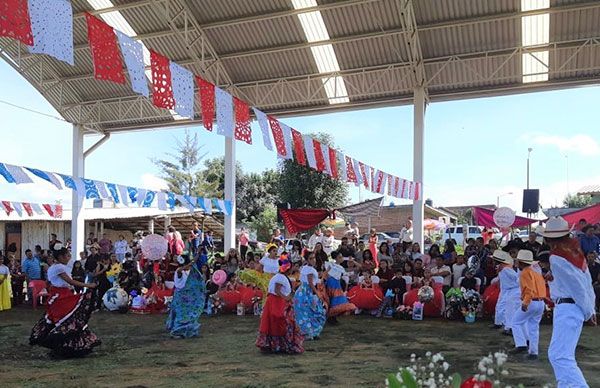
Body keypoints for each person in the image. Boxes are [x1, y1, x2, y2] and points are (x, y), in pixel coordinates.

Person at [542, 217, 596, 387]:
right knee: (562, 355)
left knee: (560, 356)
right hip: (574, 307)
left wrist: (589, 312)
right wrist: (590, 309)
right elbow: (585, 283)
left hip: (568, 307)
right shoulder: (575, 253)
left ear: (549, 239)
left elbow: (577, 286)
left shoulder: (556, 257)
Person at [30, 245, 100, 358]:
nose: (69, 257)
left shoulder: (53, 267)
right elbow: (70, 282)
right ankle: (68, 347)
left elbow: (54, 282)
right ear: (61, 257)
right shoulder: (59, 268)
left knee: (64, 320)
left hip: (57, 295)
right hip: (62, 296)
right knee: (70, 319)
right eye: (67, 255)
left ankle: (64, 346)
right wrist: (88, 285)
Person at [256, 256, 304, 353]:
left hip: (274, 302)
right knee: (282, 324)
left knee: (272, 324)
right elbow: (277, 290)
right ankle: (282, 345)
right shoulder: (280, 278)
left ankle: (273, 345)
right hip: (277, 303)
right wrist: (286, 298)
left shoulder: (279, 277)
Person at [509, 250, 546, 360]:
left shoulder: (524, 273)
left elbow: (529, 289)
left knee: (515, 322)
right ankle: (533, 352)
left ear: (521, 263)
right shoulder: (536, 272)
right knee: (534, 327)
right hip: (540, 302)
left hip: (531, 301)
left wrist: (525, 302)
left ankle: (521, 345)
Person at [166, 254, 206, 338]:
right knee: (181, 314)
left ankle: (189, 330)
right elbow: (181, 270)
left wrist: (197, 254)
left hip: (190, 297)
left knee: (190, 313)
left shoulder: (192, 272)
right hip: (180, 297)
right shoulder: (179, 270)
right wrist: (189, 264)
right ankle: (177, 331)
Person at [294, 254, 326, 340]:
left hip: (302, 292)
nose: (313, 260)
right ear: (307, 260)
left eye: (314, 258)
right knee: (309, 312)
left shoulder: (305, 268)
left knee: (307, 313)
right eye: (311, 258)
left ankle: (310, 332)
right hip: (306, 292)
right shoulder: (309, 270)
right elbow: (310, 283)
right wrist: (317, 293)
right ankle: (309, 332)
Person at [491, 250, 520, 335]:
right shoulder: (502, 268)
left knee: (508, 309)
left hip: (511, 290)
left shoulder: (506, 269)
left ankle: (509, 327)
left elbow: (516, 278)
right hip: (505, 290)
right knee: (500, 307)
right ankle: (499, 323)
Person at [324, 251, 356, 323]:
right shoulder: (331, 264)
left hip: (336, 284)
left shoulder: (340, 267)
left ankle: (332, 316)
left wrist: (351, 274)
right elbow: (326, 273)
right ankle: (331, 316)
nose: (341, 258)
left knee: (335, 300)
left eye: (341, 257)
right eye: (340, 257)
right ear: (336, 258)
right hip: (332, 283)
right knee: (333, 299)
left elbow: (345, 274)